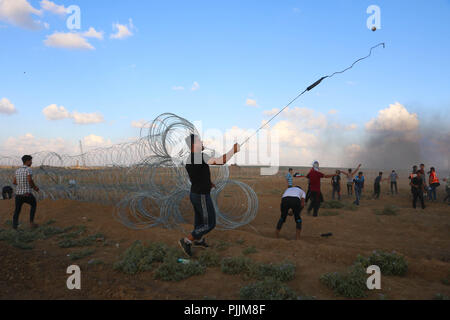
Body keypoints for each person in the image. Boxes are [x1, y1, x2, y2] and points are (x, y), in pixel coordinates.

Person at [179, 134, 240, 257]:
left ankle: (198, 241)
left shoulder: (190, 159)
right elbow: (221, 161)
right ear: (193, 145)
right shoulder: (200, 157)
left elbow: (196, 176)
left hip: (195, 193)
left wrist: (208, 183)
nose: (202, 142)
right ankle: (187, 240)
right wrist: (233, 150)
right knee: (209, 224)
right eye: (199, 141)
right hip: (201, 196)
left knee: (200, 221)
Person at [12, 155, 40, 230]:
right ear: (27, 161)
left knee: (17, 210)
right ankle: (31, 222)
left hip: (18, 194)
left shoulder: (17, 170)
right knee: (33, 204)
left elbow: (14, 182)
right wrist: (35, 187)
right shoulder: (28, 169)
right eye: (31, 161)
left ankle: (14, 227)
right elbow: (30, 180)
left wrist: (21, 183)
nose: (31, 162)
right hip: (27, 194)